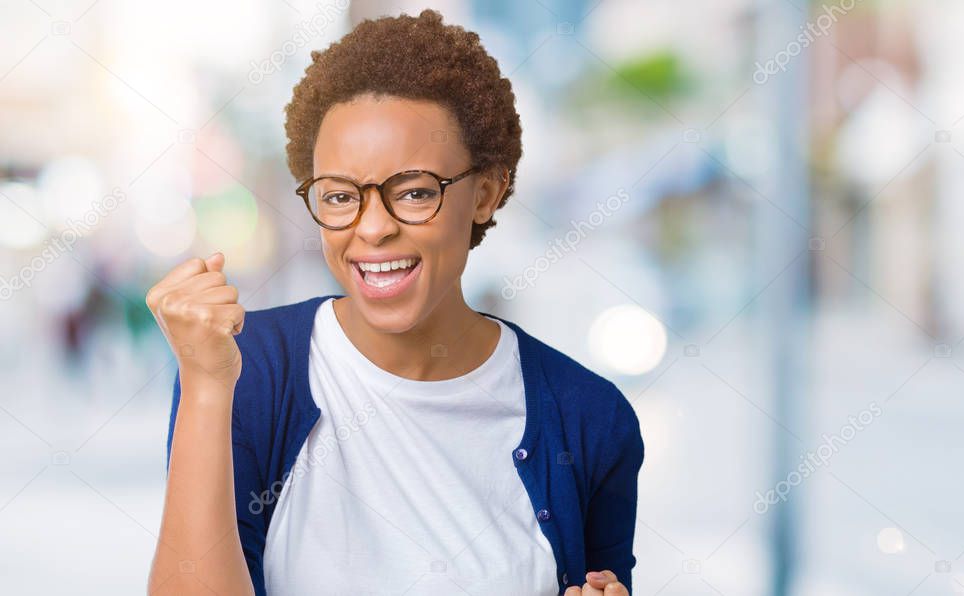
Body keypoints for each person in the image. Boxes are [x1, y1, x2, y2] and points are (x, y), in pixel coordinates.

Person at [146, 9, 643, 596]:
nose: (373, 229)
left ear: (486, 192)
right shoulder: (245, 370)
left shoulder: (590, 419)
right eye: (338, 196)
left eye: (413, 192)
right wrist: (205, 385)